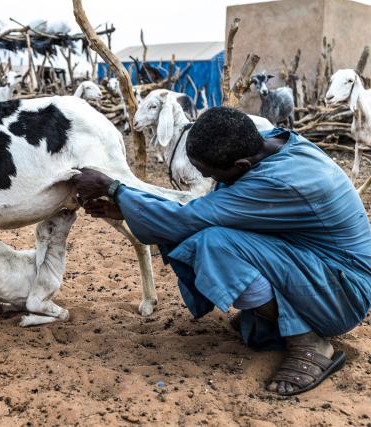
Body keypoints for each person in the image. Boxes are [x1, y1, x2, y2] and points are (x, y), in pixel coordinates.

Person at [71, 107, 371, 396]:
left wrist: (114, 189)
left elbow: (185, 219)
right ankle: (275, 317)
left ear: (240, 166)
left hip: (343, 293)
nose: (212, 182)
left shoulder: (276, 183)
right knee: (210, 232)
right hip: (317, 265)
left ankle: (309, 342)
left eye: (212, 174)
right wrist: (127, 206)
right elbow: (194, 213)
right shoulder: (273, 143)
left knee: (214, 244)